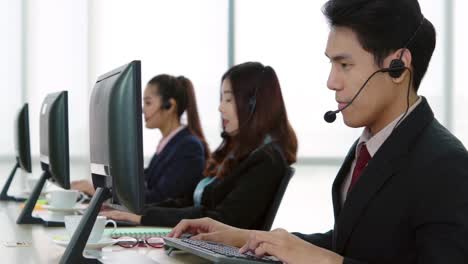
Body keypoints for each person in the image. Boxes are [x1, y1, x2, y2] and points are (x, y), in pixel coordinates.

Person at [168, 0, 468, 263]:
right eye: (331, 64)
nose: (331, 81)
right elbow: (350, 244)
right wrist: (242, 237)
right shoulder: (368, 147)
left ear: (398, 67)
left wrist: (325, 261)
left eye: (344, 64)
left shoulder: (445, 164)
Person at [101, 62, 298, 230]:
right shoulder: (236, 154)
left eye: (228, 99)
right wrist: (140, 212)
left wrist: (143, 217)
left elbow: (221, 219)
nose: (220, 107)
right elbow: (188, 200)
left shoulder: (265, 161)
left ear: (254, 104)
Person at [72, 74, 210, 204]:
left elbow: (159, 198)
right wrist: (101, 185)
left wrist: (102, 192)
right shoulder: (168, 144)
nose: (143, 110)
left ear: (169, 106)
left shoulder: (188, 147)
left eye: (148, 103)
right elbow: (144, 179)